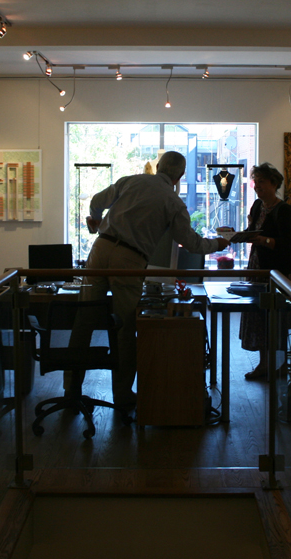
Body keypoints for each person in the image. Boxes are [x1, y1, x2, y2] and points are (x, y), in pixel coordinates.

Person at [75, 151, 229, 412]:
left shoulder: (130, 181)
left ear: (158, 167)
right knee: (124, 329)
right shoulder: (173, 202)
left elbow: (97, 201)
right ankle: (123, 395)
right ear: (179, 176)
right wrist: (218, 244)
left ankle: (71, 389)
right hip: (130, 259)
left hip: (100, 248)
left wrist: (96, 223)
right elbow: (190, 243)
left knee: (84, 321)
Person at [240, 162, 291, 380]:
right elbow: (252, 231)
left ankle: (282, 365)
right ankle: (264, 364)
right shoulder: (257, 206)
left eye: (261, 182)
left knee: (278, 320)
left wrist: (263, 240)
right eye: (256, 182)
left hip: (278, 273)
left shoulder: (283, 211)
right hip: (258, 268)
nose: (257, 186)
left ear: (274, 183)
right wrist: (236, 234)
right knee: (259, 317)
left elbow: (287, 245)